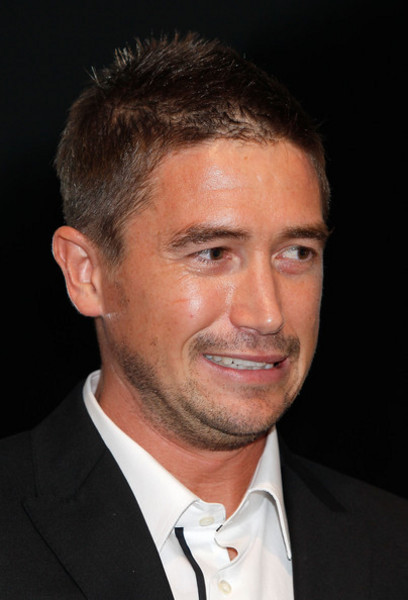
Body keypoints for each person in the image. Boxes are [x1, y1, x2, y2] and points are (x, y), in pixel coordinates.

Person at [0, 33, 407, 600]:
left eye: (296, 252)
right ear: (87, 273)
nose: (267, 314)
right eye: (213, 253)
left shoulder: (393, 546)